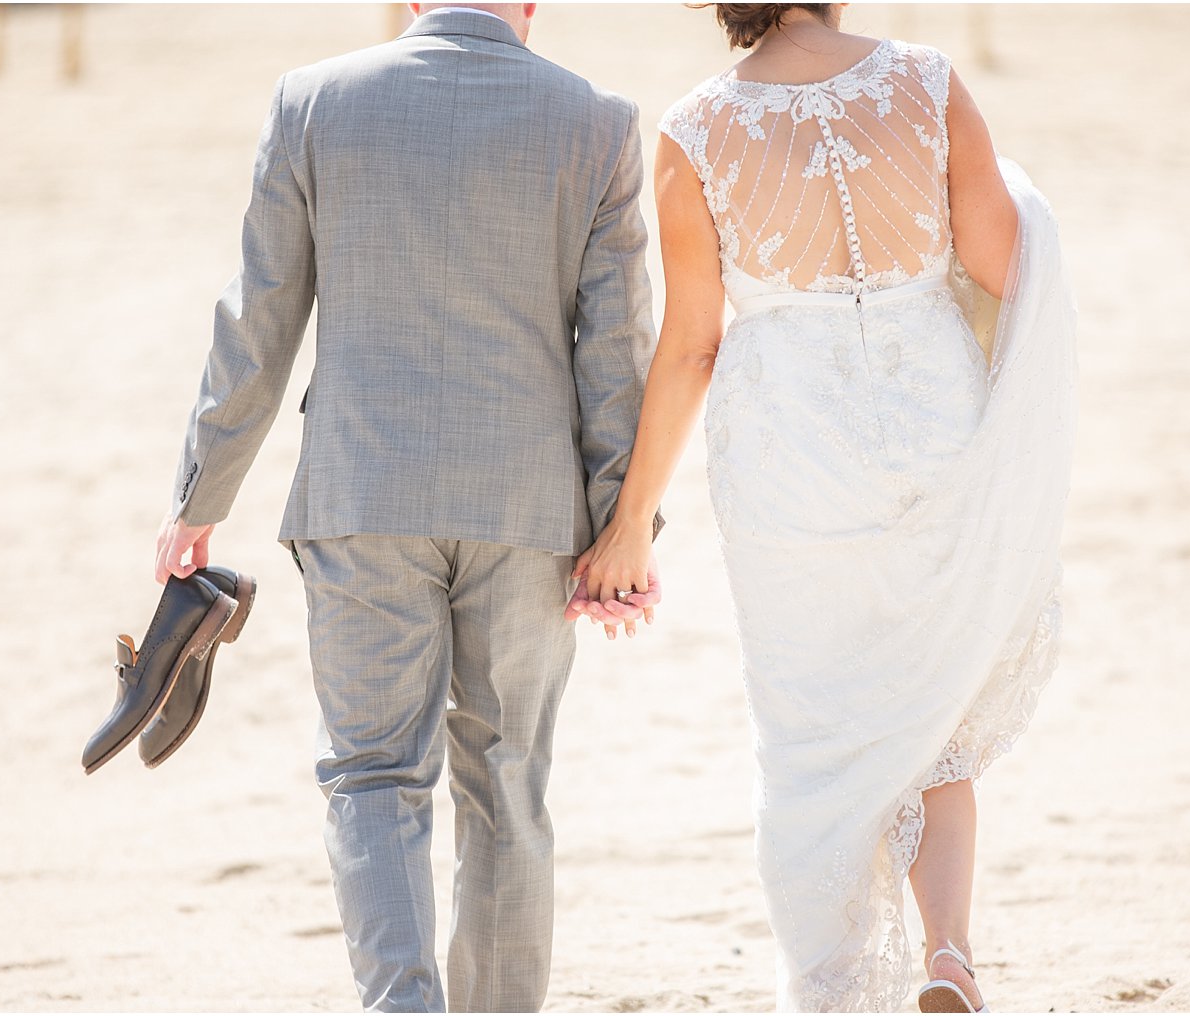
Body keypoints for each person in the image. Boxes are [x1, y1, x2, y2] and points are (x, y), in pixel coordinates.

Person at [154, 4, 663, 1010]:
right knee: (507, 784)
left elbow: (256, 320)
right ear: (528, 6)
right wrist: (623, 532)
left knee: (372, 774)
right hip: (530, 512)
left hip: (361, 495)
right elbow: (615, 352)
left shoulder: (312, 101)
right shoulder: (597, 121)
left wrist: (198, 498)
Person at [571, 3, 1076, 1011]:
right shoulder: (924, 82)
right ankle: (948, 952)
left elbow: (692, 344)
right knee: (937, 716)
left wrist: (631, 519)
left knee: (812, 727)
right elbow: (1001, 262)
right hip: (933, 416)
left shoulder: (695, 128)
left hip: (790, 453)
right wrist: (1017, 201)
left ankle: (836, 985)